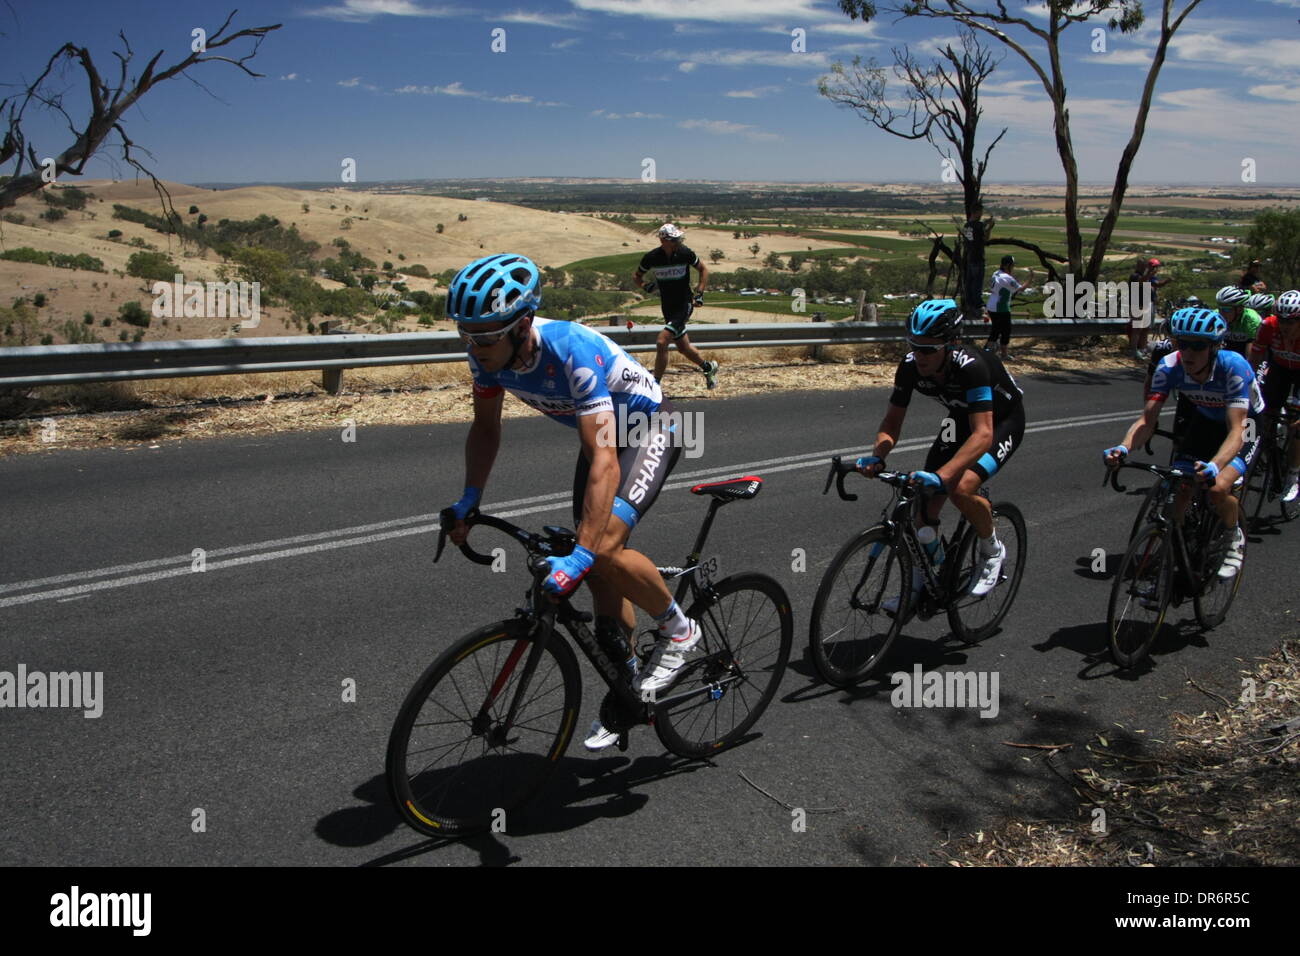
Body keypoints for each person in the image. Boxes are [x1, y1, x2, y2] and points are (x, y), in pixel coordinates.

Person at [444, 253, 700, 751]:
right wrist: (469, 498)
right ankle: (627, 689)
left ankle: (679, 629)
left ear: (521, 326)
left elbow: (605, 457)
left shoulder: (570, 350)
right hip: (602, 440)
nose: (473, 346)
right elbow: (485, 429)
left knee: (599, 548)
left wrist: (586, 550)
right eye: (466, 334)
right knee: (597, 569)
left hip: (650, 429)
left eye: (485, 336)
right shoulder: (487, 356)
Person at [855, 298, 1026, 615]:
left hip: (1001, 422)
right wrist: (877, 456)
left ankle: (992, 550)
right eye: (913, 346)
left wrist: (944, 477)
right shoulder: (909, 366)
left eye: (928, 349)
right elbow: (892, 422)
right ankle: (923, 584)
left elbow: (983, 434)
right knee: (921, 513)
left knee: (960, 488)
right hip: (961, 422)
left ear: (952, 344)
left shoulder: (972, 367)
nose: (918, 356)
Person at [1104, 308, 1263, 578]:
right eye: (1182, 344)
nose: (1188, 353)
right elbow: (1147, 422)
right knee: (1180, 487)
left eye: (1198, 346)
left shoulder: (1233, 366)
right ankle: (1173, 551)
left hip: (1244, 423)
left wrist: (1215, 465)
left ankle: (1232, 535)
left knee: (1217, 488)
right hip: (1204, 419)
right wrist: (1123, 447)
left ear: (1214, 347)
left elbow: (1236, 430)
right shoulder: (1169, 366)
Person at [634, 223, 718, 389]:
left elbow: (703, 270)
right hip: (667, 306)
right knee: (683, 348)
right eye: (674, 239)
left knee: (661, 341)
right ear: (663, 240)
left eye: (678, 238)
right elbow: (637, 276)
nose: (678, 241)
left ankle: (655, 385)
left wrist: (700, 292)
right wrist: (645, 286)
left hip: (684, 304)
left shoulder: (685, 252)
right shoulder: (652, 257)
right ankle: (708, 367)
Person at [1248, 289, 1300, 502]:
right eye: (1282, 320)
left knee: (1297, 425)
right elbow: (1255, 359)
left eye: (1291, 322)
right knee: (1264, 417)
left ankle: (1293, 475)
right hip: (1279, 369)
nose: (1285, 326)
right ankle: (1270, 453)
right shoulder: (1269, 326)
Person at [984, 254, 1024, 360]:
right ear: (1007, 266)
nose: (1013, 268)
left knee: (996, 330)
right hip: (1001, 307)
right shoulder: (1007, 278)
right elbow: (1021, 289)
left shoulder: (996, 273)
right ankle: (1003, 354)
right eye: (1012, 265)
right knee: (1005, 331)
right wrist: (1031, 278)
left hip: (992, 305)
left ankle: (987, 351)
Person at [1215, 285, 1263, 358]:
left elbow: (1250, 357)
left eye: (1226, 309)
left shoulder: (1251, 320)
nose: (1221, 313)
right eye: (1219, 308)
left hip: (1243, 354)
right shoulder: (1215, 316)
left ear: (1239, 309)